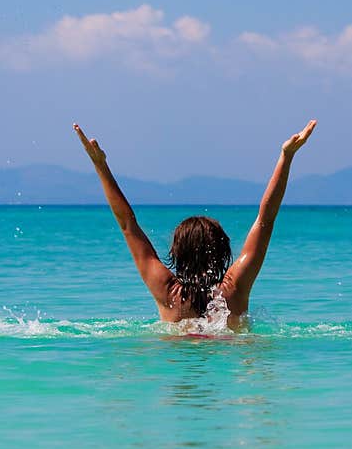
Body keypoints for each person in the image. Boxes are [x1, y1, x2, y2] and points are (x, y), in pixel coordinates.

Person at [73, 119, 316, 332]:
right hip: (228, 358)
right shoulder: (234, 289)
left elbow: (127, 223)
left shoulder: (167, 291)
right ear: (222, 251)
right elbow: (265, 219)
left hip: (177, 359)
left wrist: (100, 165)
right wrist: (286, 157)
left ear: (177, 253)